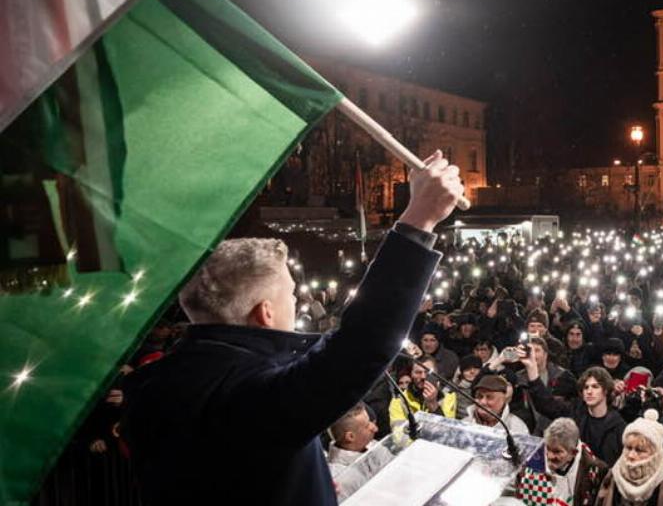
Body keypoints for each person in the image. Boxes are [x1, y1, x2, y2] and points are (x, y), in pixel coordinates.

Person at [120, 152, 462, 505]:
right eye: (292, 294)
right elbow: (363, 343)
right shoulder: (249, 394)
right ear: (265, 312)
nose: (298, 303)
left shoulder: (153, 385)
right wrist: (418, 220)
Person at [525, 358, 628, 466]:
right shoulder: (575, 411)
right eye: (586, 387)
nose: (589, 391)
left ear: (605, 391)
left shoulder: (618, 426)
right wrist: (531, 368)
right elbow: (546, 404)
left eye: (595, 386)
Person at [515, 418, 609, 506]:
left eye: (557, 452)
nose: (550, 456)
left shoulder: (594, 471)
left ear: (573, 453)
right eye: (548, 449)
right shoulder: (534, 455)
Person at [596, 410, 663, 506]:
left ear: (655, 453)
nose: (631, 455)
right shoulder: (613, 476)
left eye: (639, 450)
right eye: (628, 448)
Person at [325, 402, 379, 477]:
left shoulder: (371, 444)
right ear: (350, 437)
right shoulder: (341, 477)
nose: (375, 428)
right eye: (367, 426)